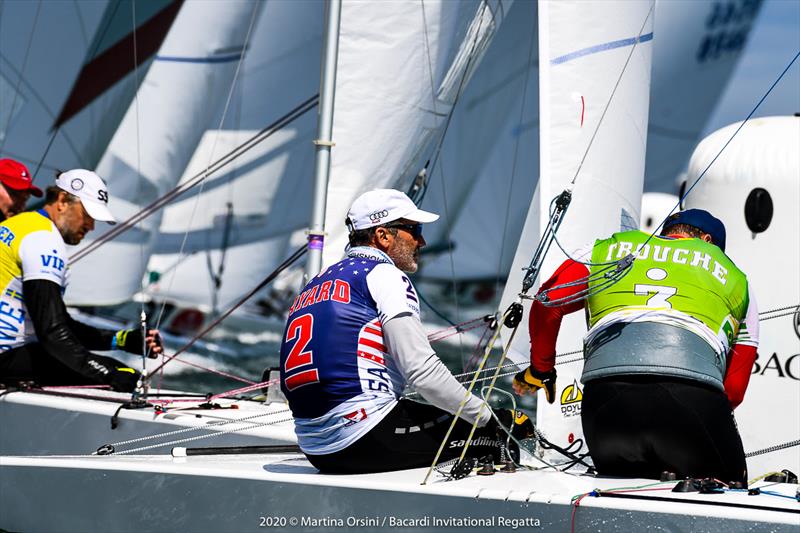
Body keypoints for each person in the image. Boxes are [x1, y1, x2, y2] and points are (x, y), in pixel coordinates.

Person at [280, 189, 531, 474]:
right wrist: (490, 417)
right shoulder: (384, 275)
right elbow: (421, 372)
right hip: (364, 439)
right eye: (414, 230)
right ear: (383, 236)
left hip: (315, 448)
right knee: (498, 436)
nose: (422, 241)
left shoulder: (315, 283)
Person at [513, 209, 759, 483]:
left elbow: (547, 302)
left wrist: (541, 370)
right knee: (730, 494)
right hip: (690, 402)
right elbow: (734, 391)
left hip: (606, 408)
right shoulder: (736, 278)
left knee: (623, 500)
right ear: (707, 240)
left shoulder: (606, 248)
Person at [0, 169, 162, 392]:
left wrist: (123, 340)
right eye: (87, 215)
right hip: (7, 357)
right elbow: (53, 334)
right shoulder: (43, 241)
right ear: (63, 200)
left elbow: (59, 323)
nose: (91, 226)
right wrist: (106, 374)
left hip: (11, 354)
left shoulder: (19, 224)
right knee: (128, 377)